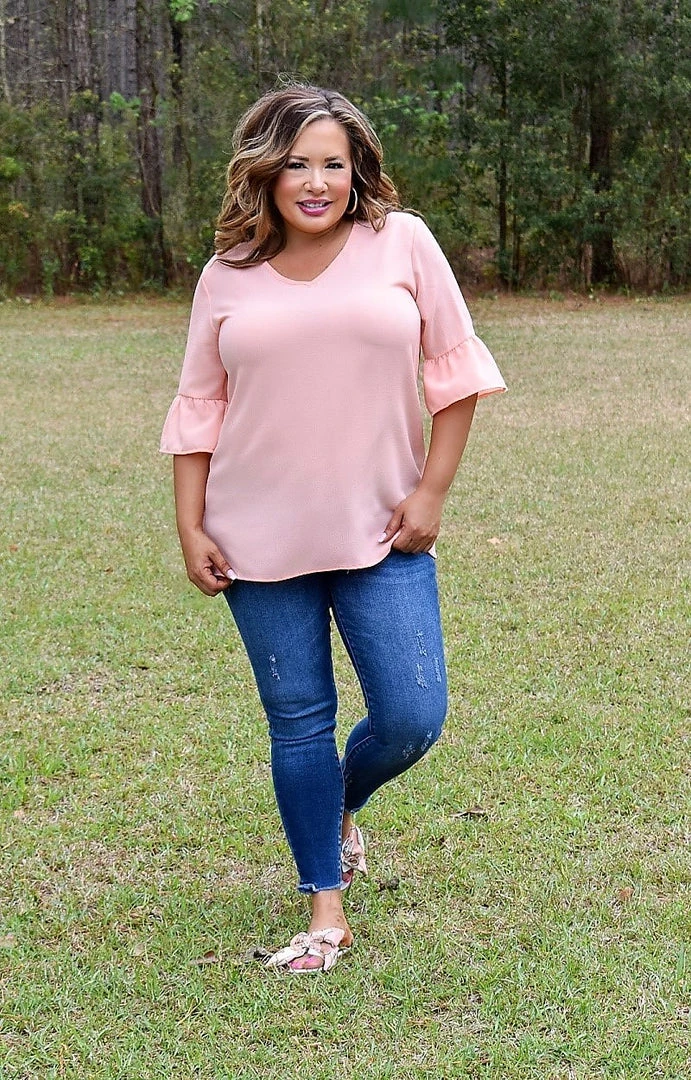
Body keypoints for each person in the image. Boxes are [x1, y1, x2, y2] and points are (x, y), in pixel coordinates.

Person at [160, 83, 506, 974]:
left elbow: (455, 376)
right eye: (295, 165)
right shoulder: (226, 274)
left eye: (332, 164)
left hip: (383, 528)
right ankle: (325, 908)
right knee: (298, 723)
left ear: (357, 170)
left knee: (412, 715)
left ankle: (336, 805)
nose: (315, 182)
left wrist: (430, 493)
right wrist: (189, 524)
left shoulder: (403, 242)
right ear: (264, 173)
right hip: (254, 535)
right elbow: (200, 406)